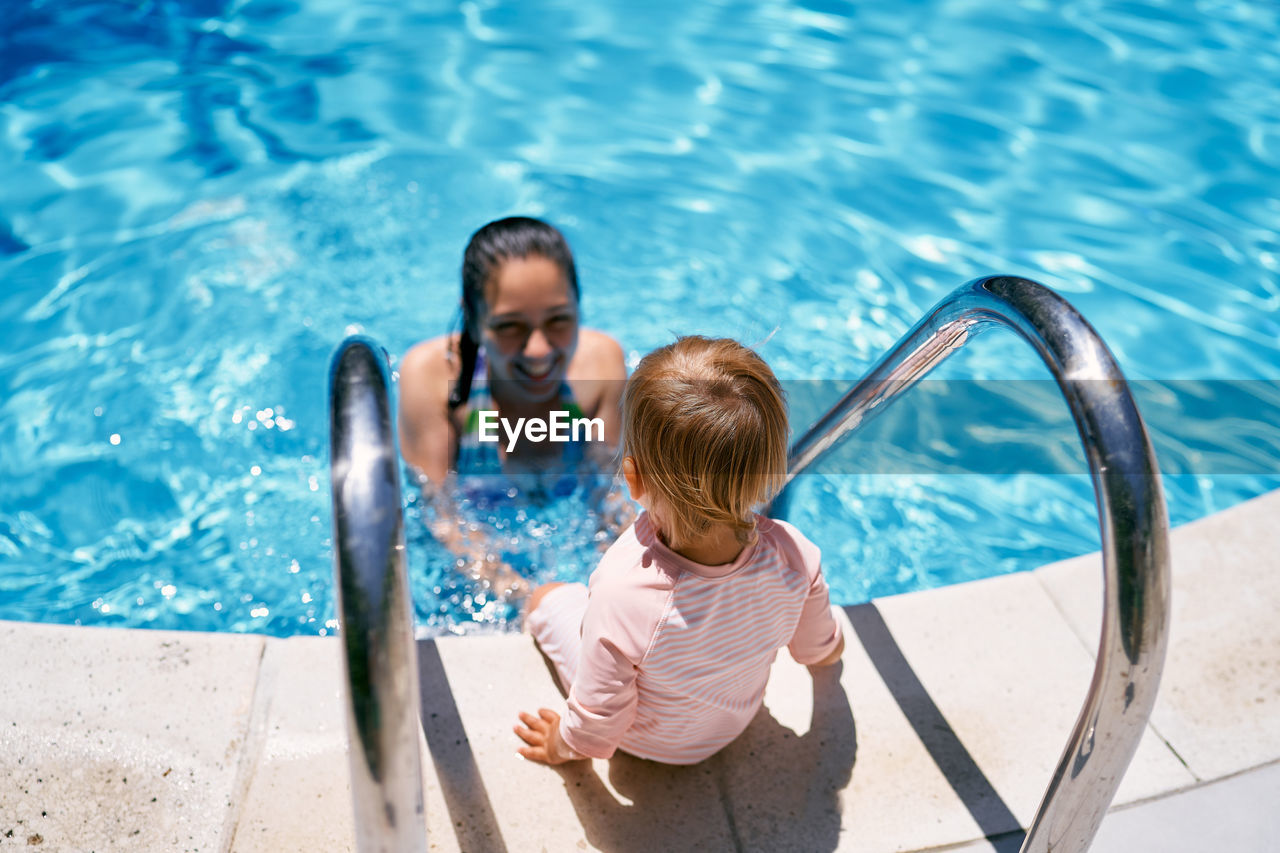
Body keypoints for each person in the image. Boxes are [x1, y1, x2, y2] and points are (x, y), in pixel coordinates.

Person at [513, 336, 845, 766]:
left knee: (547, 595)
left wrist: (560, 744)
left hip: (648, 743)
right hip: (730, 727)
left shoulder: (623, 589)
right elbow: (822, 649)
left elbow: (600, 717)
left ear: (632, 479)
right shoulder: (796, 555)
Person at [399, 216, 626, 487]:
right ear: (473, 322)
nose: (538, 351)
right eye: (509, 326)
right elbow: (440, 514)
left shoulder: (602, 366)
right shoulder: (430, 377)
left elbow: (611, 496)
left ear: (579, 308)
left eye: (558, 320)